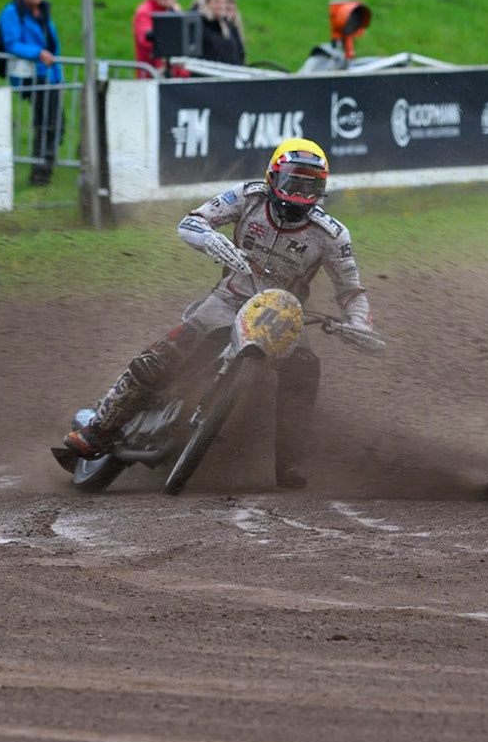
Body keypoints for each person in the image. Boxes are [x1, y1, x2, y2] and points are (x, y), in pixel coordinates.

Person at [61, 140, 378, 490]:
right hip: (228, 300)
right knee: (165, 353)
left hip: (284, 315)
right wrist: (209, 239)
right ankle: (98, 428)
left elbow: (351, 291)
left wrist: (358, 324)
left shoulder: (332, 235)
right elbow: (191, 222)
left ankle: (289, 464)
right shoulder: (247, 196)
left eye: (310, 186)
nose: (299, 193)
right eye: (292, 182)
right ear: (272, 178)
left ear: (322, 189)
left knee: (305, 369)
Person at [0, 0, 62, 185]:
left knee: (57, 121)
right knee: (46, 120)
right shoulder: (12, 12)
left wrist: (59, 80)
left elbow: (54, 48)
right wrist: (37, 53)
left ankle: (45, 167)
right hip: (26, 74)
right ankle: (40, 171)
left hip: (47, 74)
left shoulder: (43, 13)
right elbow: (12, 43)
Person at [132, 0, 182, 75]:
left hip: (173, 71)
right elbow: (146, 42)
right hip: (151, 74)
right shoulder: (144, 12)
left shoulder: (174, 10)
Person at [194, 0, 247, 65]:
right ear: (207, 3)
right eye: (217, 2)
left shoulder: (229, 27)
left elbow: (240, 53)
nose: (221, 6)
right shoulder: (199, 27)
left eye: (224, 2)